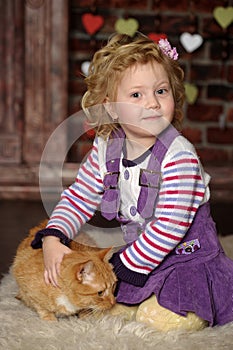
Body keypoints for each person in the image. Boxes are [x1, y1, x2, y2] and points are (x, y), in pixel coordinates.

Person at [32, 32, 233, 330]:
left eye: (161, 91)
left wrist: (121, 266)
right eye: (136, 95)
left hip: (186, 257)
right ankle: (137, 301)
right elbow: (79, 196)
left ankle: (173, 311)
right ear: (111, 107)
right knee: (102, 302)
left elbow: (169, 227)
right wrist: (54, 236)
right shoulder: (106, 147)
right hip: (141, 252)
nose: (152, 103)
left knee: (169, 313)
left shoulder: (180, 156)